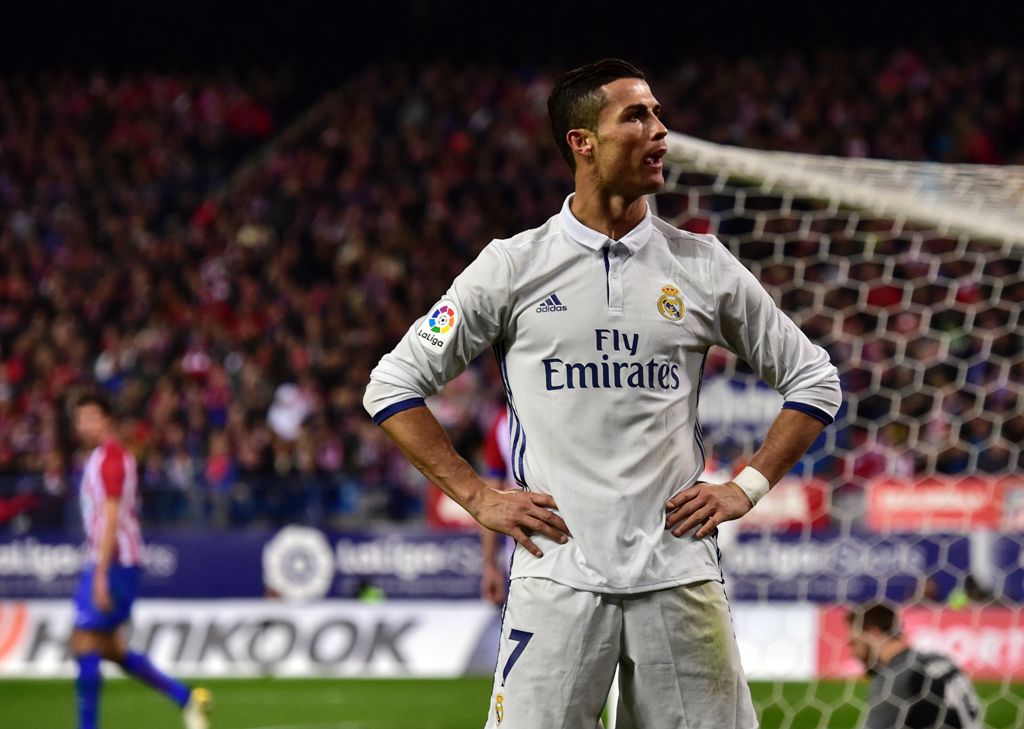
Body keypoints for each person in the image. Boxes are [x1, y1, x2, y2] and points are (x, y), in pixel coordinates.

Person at [363, 58, 841, 728]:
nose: (661, 131)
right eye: (637, 115)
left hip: (679, 578)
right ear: (581, 141)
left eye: (659, 114)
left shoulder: (702, 265)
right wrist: (477, 495)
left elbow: (814, 377)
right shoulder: (512, 265)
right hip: (555, 577)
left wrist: (748, 485)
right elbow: (391, 384)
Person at [70, 392, 212, 729]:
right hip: (114, 562)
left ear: (107, 420)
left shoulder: (112, 459)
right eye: (79, 418)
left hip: (116, 563)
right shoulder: (102, 457)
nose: (82, 424)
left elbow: (111, 516)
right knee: (111, 650)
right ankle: (185, 698)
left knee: (84, 641)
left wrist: (101, 572)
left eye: (90, 416)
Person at [847, 603, 981, 729]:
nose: (853, 653)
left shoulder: (894, 676)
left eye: (854, 643)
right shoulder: (940, 659)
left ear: (873, 633)